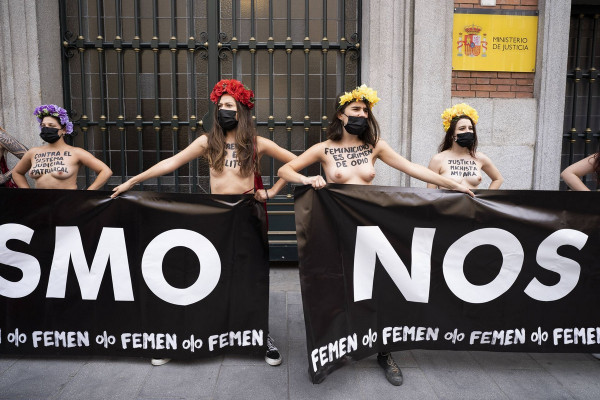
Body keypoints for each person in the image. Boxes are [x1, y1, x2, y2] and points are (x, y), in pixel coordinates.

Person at [278, 84, 474, 386]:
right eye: (355, 109)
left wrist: (454, 185)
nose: (362, 114)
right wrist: (308, 178)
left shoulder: (376, 146)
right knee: (339, 289)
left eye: (365, 111)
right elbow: (285, 170)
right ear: (341, 115)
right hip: (337, 230)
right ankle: (335, 346)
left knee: (380, 290)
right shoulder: (324, 148)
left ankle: (385, 352)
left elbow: (411, 168)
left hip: (371, 230)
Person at [111, 78, 296, 367]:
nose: (223, 110)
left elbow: (294, 162)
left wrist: (272, 191)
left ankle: (260, 336)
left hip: (247, 215)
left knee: (249, 279)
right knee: (205, 277)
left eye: (229, 105)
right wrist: (132, 181)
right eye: (220, 106)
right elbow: (171, 163)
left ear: (241, 111)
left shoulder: (257, 143)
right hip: (215, 215)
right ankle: (186, 338)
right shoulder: (207, 142)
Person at [12, 104, 112, 190]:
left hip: (67, 202)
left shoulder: (76, 153)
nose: (46, 129)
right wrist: (28, 193)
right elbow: (17, 172)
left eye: (51, 126)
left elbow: (105, 171)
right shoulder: (33, 152)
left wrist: (86, 194)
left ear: (64, 130)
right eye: (43, 126)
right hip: (40, 203)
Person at [427, 103, 503, 190]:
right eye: (462, 128)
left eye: (470, 128)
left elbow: (498, 179)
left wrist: (486, 197)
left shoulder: (479, 157)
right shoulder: (438, 159)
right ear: (452, 135)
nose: (468, 131)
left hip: (473, 199)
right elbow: (430, 192)